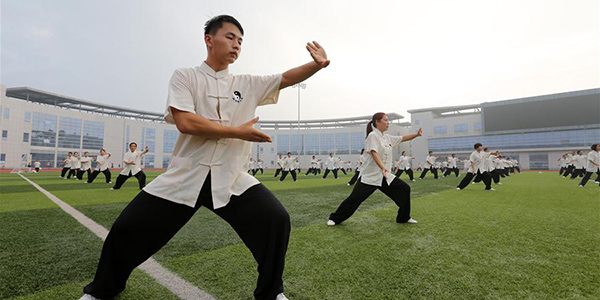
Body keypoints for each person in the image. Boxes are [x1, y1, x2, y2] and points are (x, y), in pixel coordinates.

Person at [80, 15, 330, 300]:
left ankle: (271, 292)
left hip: (230, 178)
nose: (236, 45)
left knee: (276, 219)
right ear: (209, 40)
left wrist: (316, 65)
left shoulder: (245, 83)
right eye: (230, 37)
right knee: (127, 229)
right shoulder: (186, 76)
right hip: (185, 176)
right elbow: (186, 122)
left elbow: (285, 78)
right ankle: (101, 291)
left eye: (240, 41)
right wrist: (237, 132)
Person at [327, 113, 422, 226]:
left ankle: (403, 217)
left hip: (384, 176)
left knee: (404, 189)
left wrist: (417, 134)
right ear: (377, 122)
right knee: (355, 198)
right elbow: (374, 152)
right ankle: (334, 218)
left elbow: (402, 138)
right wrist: (383, 167)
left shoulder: (386, 138)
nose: (388, 123)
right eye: (386, 120)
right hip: (370, 176)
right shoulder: (373, 136)